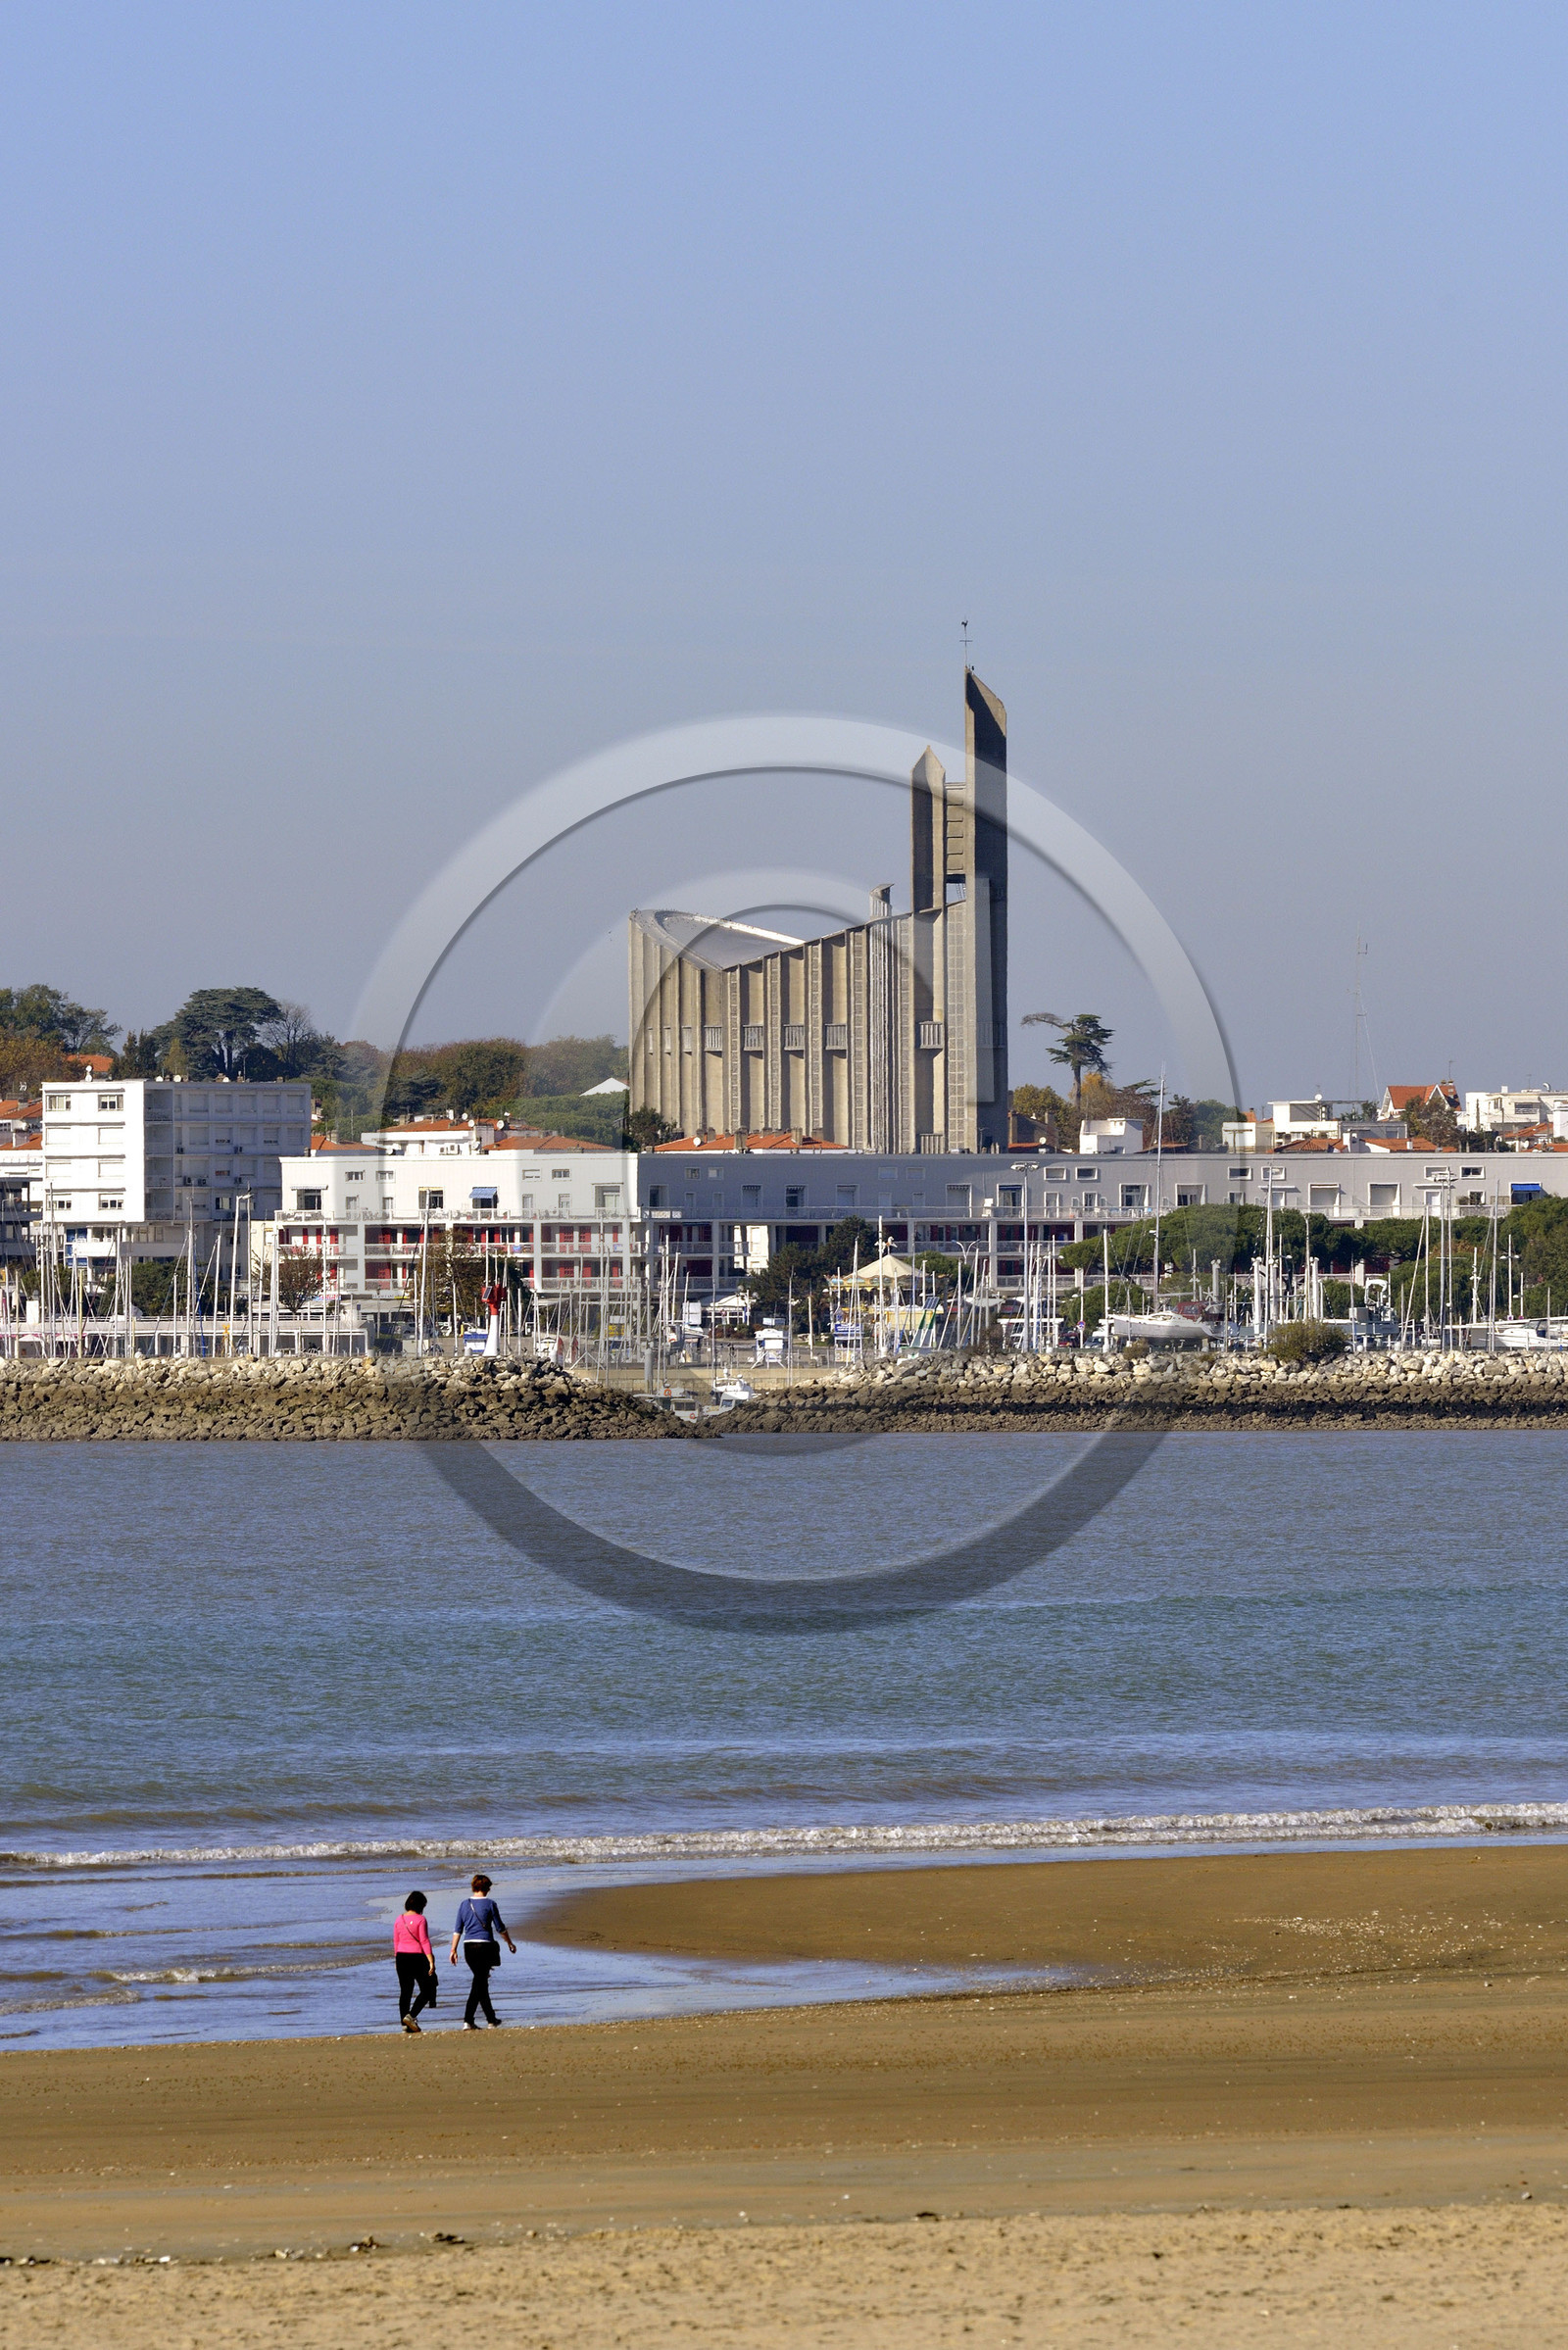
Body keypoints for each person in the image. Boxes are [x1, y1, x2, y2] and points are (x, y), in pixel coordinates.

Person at [451, 1872, 515, 2029]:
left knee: (480, 1982)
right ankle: (468, 2020)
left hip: (468, 1947)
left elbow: (457, 1929)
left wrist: (453, 1949)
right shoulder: (490, 1904)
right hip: (485, 1946)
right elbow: (500, 1927)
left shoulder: (464, 1904)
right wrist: (509, 1943)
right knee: (479, 1982)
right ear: (486, 1888)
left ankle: (490, 2019)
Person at [393, 1891, 436, 2033]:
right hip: (417, 1957)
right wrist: (431, 1959)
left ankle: (405, 2024)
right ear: (421, 1905)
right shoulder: (421, 1919)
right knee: (427, 1990)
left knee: (405, 1991)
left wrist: (396, 1959)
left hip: (401, 1957)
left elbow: (396, 1941)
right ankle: (410, 2016)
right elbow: (424, 1940)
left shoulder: (399, 1919)